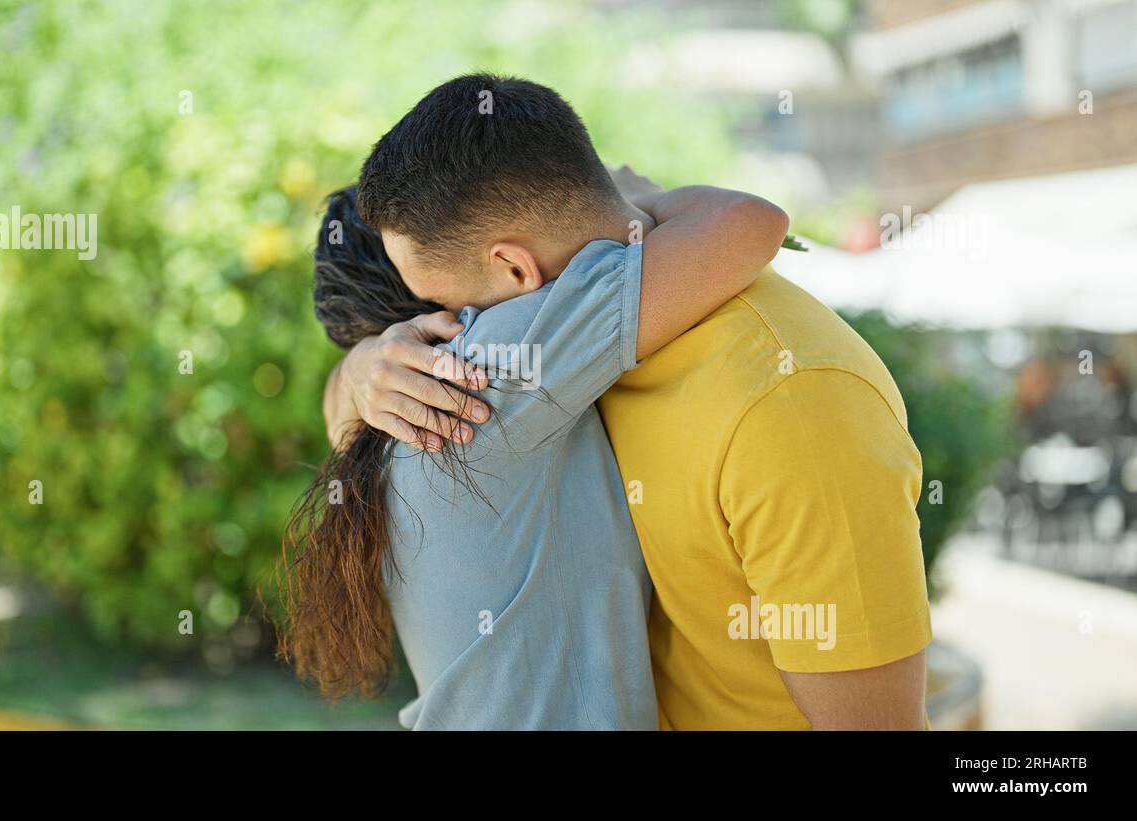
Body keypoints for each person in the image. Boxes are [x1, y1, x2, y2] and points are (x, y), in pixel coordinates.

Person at [329, 73, 932, 729]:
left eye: (447, 308)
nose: (451, 333)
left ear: (516, 271)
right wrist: (363, 368)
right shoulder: (528, 368)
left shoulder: (792, 399)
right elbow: (750, 218)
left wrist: (359, 370)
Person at [277, 85, 788, 729]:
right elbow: (751, 222)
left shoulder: (389, 412)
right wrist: (630, 198)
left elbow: (337, 410)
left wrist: (355, 370)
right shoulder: (486, 365)